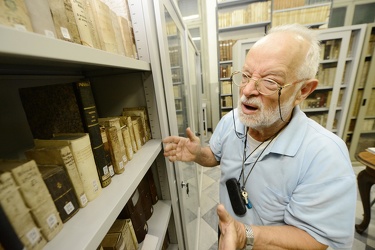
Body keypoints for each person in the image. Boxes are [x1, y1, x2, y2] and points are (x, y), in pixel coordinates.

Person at [163, 23, 356, 250]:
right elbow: (214, 156)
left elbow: (317, 239)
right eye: (245, 76)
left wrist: (245, 235)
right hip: (228, 232)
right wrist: (198, 154)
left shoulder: (326, 156)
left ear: (303, 91)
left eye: (270, 81)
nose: (246, 91)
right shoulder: (232, 120)